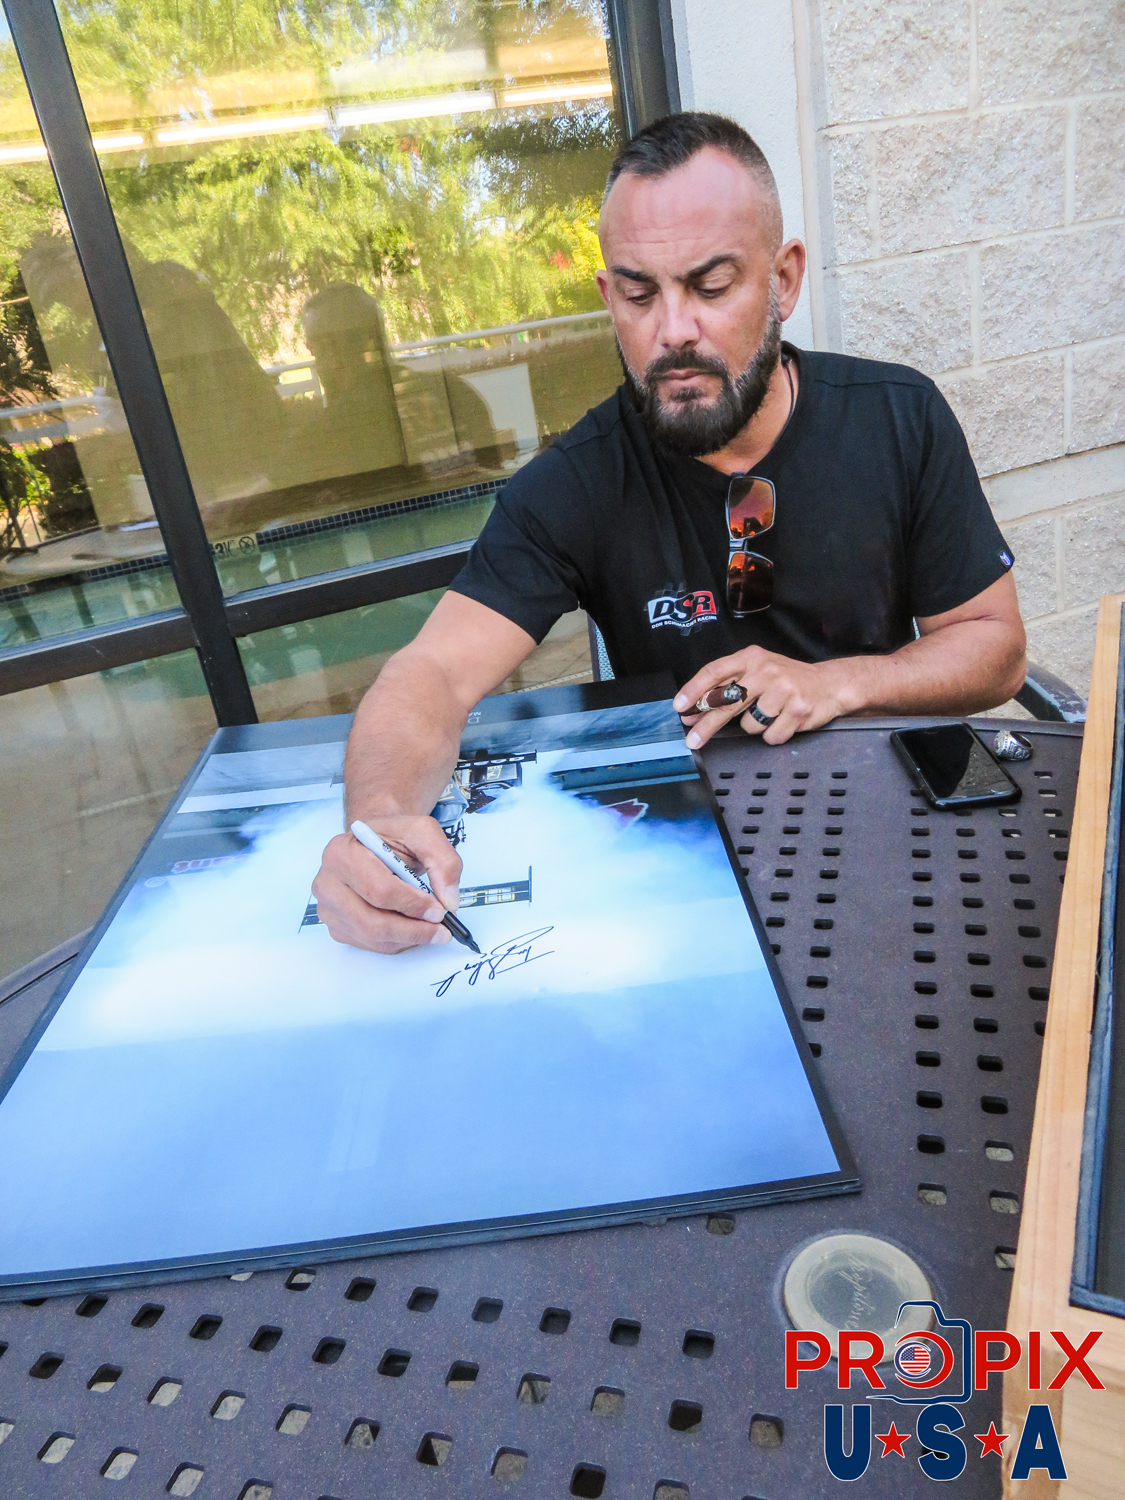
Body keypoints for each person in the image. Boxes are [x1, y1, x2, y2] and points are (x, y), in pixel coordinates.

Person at [312, 111, 1026, 954]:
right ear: (609, 297)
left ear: (783, 279)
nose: (673, 331)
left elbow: (992, 647)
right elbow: (428, 675)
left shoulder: (898, 418)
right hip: (687, 857)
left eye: (711, 285)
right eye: (640, 293)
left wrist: (841, 683)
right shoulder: (574, 483)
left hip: (893, 820)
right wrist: (379, 825)